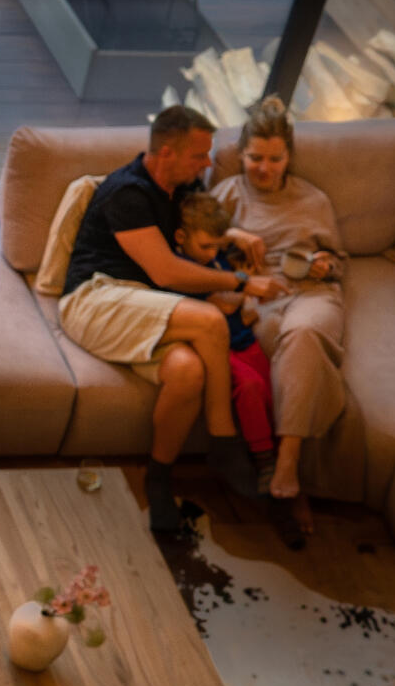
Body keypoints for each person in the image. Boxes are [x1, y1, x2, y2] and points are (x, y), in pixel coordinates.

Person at [57, 104, 282, 535]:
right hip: (96, 299)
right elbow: (165, 271)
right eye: (199, 155)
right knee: (210, 321)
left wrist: (234, 234)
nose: (208, 163)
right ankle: (223, 440)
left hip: (146, 305)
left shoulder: (182, 189)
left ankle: (158, 478)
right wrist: (241, 281)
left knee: (188, 371)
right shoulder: (128, 194)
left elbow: (200, 229)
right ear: (166, 153)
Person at [211, 95, 350, 543]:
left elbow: (339, 261)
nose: (264, 168)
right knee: (280, 348)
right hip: (258, 298)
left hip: (311, 293)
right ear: (240, 154)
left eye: (275, 159)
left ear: (289, 157)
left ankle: (286, 464)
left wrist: (326, 265)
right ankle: (291, 485)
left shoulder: (313, 199)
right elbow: (195, 247)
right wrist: (232, 235)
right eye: (255, 158)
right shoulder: (226, 194)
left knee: (305, 333)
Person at [172, 191, 276, 474]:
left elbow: (236, 298)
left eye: (216, 247)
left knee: (272, 388)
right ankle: (264, 458)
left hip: (245, 340)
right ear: (181, 237)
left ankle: (278, 454)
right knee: (250, 387)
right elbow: (225, 304)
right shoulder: (183, 269)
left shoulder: (219, 257)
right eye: (205, 246)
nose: (211, 254)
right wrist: (246, 286)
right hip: (219, 348)